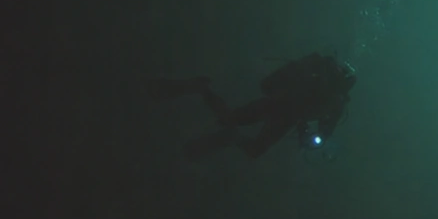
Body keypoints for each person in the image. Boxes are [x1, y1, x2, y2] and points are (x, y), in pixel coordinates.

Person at [149, 53, 356, 160]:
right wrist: (311, 137)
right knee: (253, 147)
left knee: (230, 118)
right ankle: (227, 134)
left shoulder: (326, 85)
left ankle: (199, 89)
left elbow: (322, 131)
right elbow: (324, 133)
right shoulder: (337, 101)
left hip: (278, 102)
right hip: (284, 112)